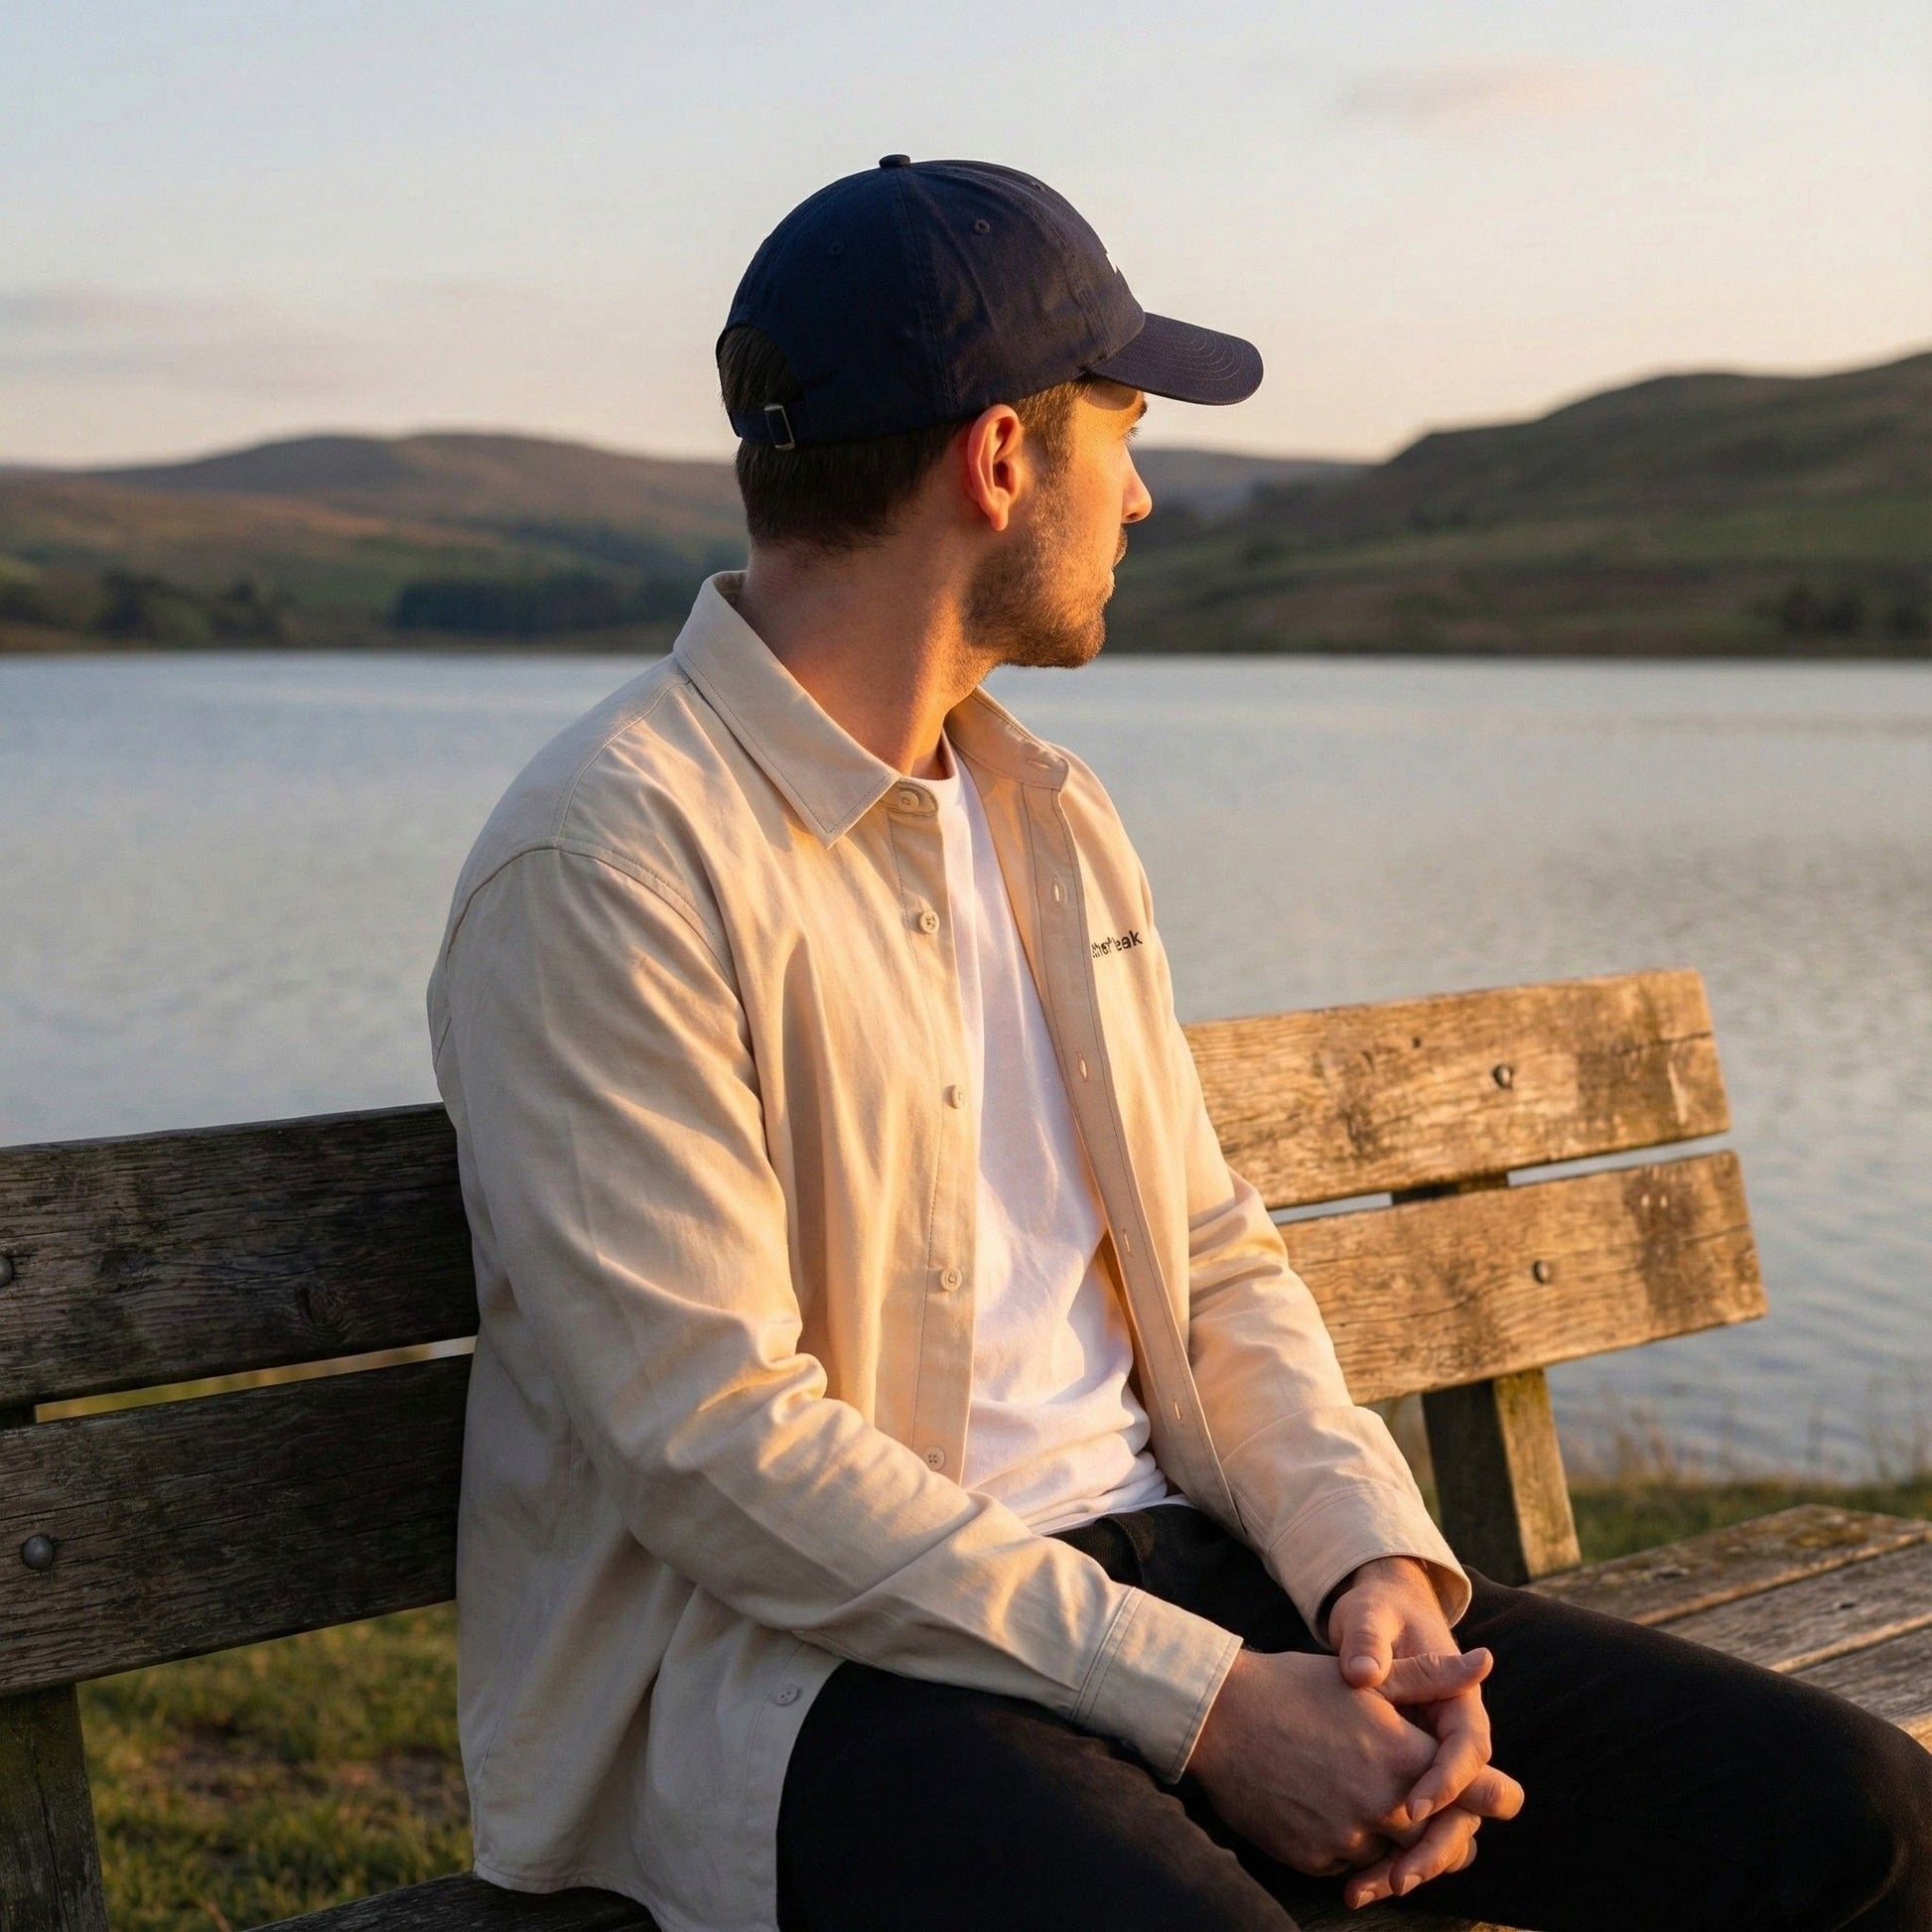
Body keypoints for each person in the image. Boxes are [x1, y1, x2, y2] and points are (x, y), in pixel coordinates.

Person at [427, 157, 1932, 1932]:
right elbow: (714, 1443)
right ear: (999, 461)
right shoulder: (607, 861)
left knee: (1854, 1818)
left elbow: (1206, 1257)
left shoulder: (1048, 817)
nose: (1141, 495)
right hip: (813, 1675)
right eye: (1119, 433)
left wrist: (1367, 1570)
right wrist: (1207, 1705)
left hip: (1188, 1578)